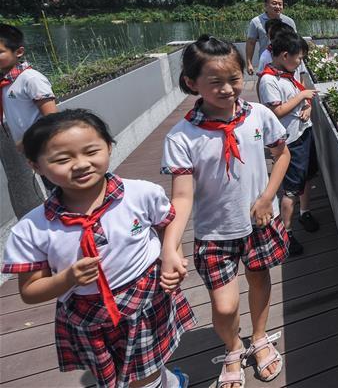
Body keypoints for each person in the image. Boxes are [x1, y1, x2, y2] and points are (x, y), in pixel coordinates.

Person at [1, 109, 195, 388]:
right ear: (36, 166)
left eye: (91, 151)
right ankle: (171, 381)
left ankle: (167, 382)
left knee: (144, 374)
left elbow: (167, 224)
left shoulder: (141, 194)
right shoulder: (32, 228)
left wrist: (173, 255)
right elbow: (30, 291)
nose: (81, 164)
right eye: (62, 159)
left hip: (147, 298)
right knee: (123, 374)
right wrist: (67, 278)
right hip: (88, 314)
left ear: (109, 147)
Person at [160, 36, 290, 388]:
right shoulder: (182, 136)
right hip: (215, 231)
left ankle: (259, 337)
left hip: (259, 221)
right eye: (215, 82)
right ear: (191, 83)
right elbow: (181, 197)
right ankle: (233, 346)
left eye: (234, 79)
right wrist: (170, 247)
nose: (228, 89)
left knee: (260, 279)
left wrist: (267, 198)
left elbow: (282, 155)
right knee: (224, 305)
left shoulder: (258, 115)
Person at [257, 34, 320, 257]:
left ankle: (305, 212)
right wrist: (302, 95)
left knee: (307, 177)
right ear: (285, 55)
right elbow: (276, 111)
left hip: (304, 133)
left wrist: (307, 106)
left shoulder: (286, 74)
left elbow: (299, 101)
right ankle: (287, 232)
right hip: (290, 141)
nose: (300, 62)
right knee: (291, 189)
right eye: (298, 58)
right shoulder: (269, 80)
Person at [0, 23, 58, 216]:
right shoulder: (6, 82)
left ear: (19, 52)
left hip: (45, 147)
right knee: (51, 189)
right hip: (32, 150)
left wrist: (28, 140)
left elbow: (52, 117)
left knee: (59, 187)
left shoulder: (31, 79)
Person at [245, 0, 296, 76]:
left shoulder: (289, 21)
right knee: (264, 82)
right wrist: (249, 63)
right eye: (274, 3)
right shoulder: (256, 22)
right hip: (266, 61)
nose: (278, 7)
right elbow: (251, 43)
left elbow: (295, 42)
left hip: (286, 62)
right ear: (266, 5)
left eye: (280, 4)